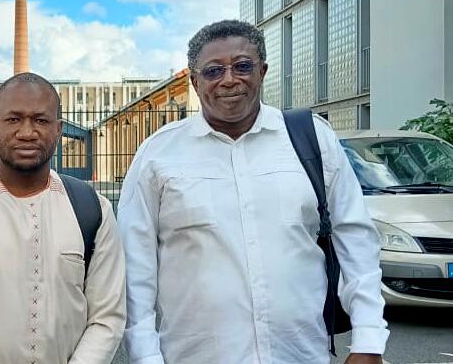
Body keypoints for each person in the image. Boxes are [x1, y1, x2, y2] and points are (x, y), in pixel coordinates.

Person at [118, 20, 388, 364]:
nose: (229, 79)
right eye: (213, 71)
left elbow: (357, 242)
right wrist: (145, 357)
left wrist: (368, 340)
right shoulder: (158, 155)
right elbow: (135, 268)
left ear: (262, 71)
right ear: (195, 81)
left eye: (242, 66)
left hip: (302, 354)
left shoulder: (312, 139)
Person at [0, 72, 126, 364]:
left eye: (40, 120)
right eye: (14, 119)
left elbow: (107, 318)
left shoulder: (94, 209)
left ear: (58, 130)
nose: (27, 132)